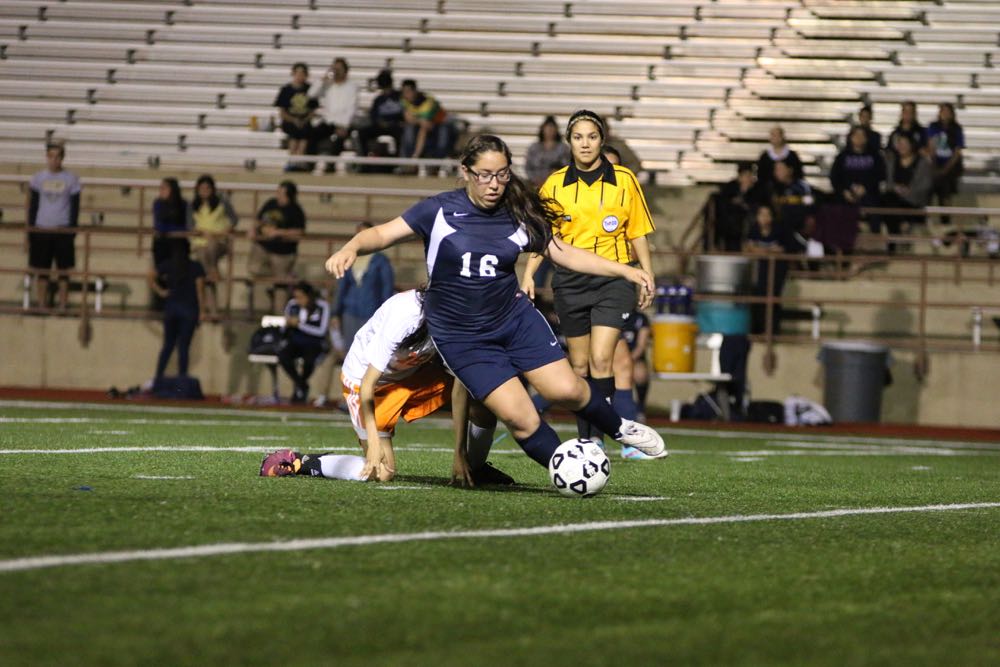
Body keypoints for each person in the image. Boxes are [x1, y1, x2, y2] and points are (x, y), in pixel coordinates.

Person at [325, 134, 666, 479]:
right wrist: (351, 247)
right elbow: (383, 234)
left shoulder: (517, 213)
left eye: (502, 174)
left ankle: (622, 428)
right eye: (485, 175)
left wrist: (626, 270)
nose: (494, 184)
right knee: (521, 418)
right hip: (463, 337)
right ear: (466, 172)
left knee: (567, 389)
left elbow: (564, 253)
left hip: (513, 320)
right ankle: (570, 473)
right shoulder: (439, 210)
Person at [522, 110, 656, 451]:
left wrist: (646, 273)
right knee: (579, 364)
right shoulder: (554, 184)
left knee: (601, 359)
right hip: (569, 281)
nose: (585, 143)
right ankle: (587, 438)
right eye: (578, 137)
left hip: (615, 278)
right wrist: (528, 274)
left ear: (601, 140)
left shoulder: (624, 179)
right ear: (569, 142)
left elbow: (638, 231)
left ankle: (598, 437)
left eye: (592, 137)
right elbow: (544, 236)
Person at [338, 288, 509, 484]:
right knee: (383, 473)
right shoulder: (404, 313)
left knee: (483, 406)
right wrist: (373, 440)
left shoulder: (459, 321)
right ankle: (306, 462)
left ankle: (475, 470)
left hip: (411, 375)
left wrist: (460, 452)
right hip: (367, 381)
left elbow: (460, 389)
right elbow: (368, 383)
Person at [26, 142, 81, 311]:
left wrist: (71, 230)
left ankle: (63, 304)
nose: (54, 160)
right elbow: (33, 205)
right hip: (42, 229)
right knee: (42, 271)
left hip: (62, 230)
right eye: (51, 156)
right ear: (46, 157)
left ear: (62, 158)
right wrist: (30, 230)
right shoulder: (38, 178)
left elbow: (75, 207)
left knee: (63, 272)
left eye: (57, 156)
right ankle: (41, 304)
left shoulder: (71, 179)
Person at [148, 238, 206, 381]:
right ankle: (182, 379)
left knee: (168, 345)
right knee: (184, 346)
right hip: (189, 310)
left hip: (172, 308)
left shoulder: (169, 265)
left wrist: (161, 291)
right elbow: (200, 291)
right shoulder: (195, 266)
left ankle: (158, 377)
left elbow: (150, 276)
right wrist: (202, 311)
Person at [332, 222, 395, 347]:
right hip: (350, 311)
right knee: (350, 350)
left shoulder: (381, 260)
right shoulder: (349, 258)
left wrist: (386, 314)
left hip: (372, 312)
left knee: (369, 350)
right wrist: (335, 313)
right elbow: (341, 288)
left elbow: (387, 289)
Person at [247, 180, 305, 312]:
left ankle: (278, 317)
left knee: (280, 284)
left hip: (282, 253)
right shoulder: (271, 203)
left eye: (281, 193)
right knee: (253, 269)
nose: (278, 195)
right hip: (264, 247)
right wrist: (254, 228)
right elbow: (259, 219)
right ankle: (286, 276)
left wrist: (278, 232)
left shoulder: (295, 210)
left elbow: (299, 231)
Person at [188, 174, 237, 319]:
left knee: (209, 250)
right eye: (201, 188)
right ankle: (213, 310)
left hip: (219, 241)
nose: (204, 190)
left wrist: (218, 233)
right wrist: (202, 233)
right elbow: (190, 226)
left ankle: (211, 272)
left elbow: (233, 220)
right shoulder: (193, 206)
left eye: (207, 187)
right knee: (205, 274)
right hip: (200, 244)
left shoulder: (222, 203)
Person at [744, 204, 793, 335]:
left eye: (767, 215)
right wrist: (768, 250)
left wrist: (761, 250)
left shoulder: (779, 230)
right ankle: (757, 329)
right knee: (757, 298)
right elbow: (749, 248)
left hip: (776, 270)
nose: (764, 218)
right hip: (758, 270)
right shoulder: (753, 230)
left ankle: (772, 330)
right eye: (762, 214)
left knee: (773, 298)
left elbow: (781, 249)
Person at [278, 281, 331, 404]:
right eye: (296, 297)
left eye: (301, 297)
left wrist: (300, 325)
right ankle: (301, 384)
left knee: (309, 360)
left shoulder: (322, 306)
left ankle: (299, 388)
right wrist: (287, 324)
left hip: (314, 343)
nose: (298, 300)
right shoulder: (292, 305)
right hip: (296, 342)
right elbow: (284, 326)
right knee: (283, 356)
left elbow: (321, 331)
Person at [882, 133, 934, 248]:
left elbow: (926, 185)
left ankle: (894, 240)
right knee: (887, 198)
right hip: (894, 199)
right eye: (899, 144)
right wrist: (896, 188)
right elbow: (887, 183)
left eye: (905, 144)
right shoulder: (892, 161)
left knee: (891, 205)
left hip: (913, 201)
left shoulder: (922, 162)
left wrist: (908, 191)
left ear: (912, 145)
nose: (902, 146)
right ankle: (897, 233)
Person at [830, 125, 886, 225]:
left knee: (876, 208)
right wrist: (844, 191)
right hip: (846, 195)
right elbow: (835, 177)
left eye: (862, 135)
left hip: (869, 194)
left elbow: (880, 175)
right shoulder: (842, 156)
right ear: (851, 137)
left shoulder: (875, 156)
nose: (859, 138)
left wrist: (865, 188)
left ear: (866, 138)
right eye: (856, 135)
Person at [310, 57, 360, 166]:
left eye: (339, 69)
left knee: (338, 140)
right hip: (328, 122)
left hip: (344, 123)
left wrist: (343, 125)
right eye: (334, 69)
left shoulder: (352, 87)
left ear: (345, 71)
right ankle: (309, 166)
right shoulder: (328, 85)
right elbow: (311, 94)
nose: (336, 71)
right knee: (312, 134)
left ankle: (331, 167)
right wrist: (322, 80)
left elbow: (352, 108)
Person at [274, 62, 318, 171]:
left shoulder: (310, 89)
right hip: (290, 121)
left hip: (305, 122)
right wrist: (294, 120)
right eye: (298, 73)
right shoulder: (286, 90)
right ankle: (292, 159)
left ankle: (300, 159)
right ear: (293, 74)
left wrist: (304, 120)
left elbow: (313, 111)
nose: (300, 76)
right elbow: (282, 112)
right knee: (294, 132)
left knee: (304, 132)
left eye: (302, 74)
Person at [711, 162, 762, 251]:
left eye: (751, 176)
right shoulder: (729, 189)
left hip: (747, 227)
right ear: (740, 177)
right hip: (730, 228)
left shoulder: (757, 191)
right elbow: (724, 207)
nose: (749, 179)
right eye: (747, 175)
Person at [927, 102, 965, 222]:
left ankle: (945, 219)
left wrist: (945, 169)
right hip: (936, 163)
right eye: (943, 111)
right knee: (931, 183)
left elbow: (957, 152)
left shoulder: (957, 128)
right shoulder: (933, 126)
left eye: (947, 111)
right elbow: (931, 146)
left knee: (944, 185)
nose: (945, 114)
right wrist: (934, 164)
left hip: (951, 166)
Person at [356, 69, 404, 161]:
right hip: (381, 125)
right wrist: (380, 122)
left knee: (401, 134)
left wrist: (394, 122)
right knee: (362, 133)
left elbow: (404, 113)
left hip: (396, 125)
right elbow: (373, 116)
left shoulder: (400, 96)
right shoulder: (379, 99)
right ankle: (364, 161)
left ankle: (398, 161)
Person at [400, 79, 455, 160]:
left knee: (436, 132)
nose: (406, 94)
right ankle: (406, 159)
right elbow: (408, 119)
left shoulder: (428, 102)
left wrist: (416, 119)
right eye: (404, 92)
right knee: (408, 128)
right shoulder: (404, 100)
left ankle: (417, 157)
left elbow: (425, 124)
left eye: (408, 91)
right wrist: (418, 120)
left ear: (415, 91)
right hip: (423, 125)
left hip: (440, 123)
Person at [151, 178, 189, 267]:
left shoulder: (184, 204)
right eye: (160, 188)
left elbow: (187, 227)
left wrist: (171, 231)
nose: (161, 191)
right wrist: (174, 230)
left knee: (178, 251)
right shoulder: (158, 203)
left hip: (179, 242)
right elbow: (158, 226)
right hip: (162, 240)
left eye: (164, 188)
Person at [524, 115, 571, 187]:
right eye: (548, 128)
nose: (550, 131)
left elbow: (567, 167)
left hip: (557, 185)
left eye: (552, 128)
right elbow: (528, 168)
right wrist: (535, 180)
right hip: (536, 185)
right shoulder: (534, 148)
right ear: (542, 129)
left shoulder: (563, 148)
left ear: (556, 130)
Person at [756, 125, 803, 190]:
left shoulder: (792, 156)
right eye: (773, 135)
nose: (775, 138)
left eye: (777, 135)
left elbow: (799, 175)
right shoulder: (764, 157)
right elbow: (761, 177)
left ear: (782, 137)